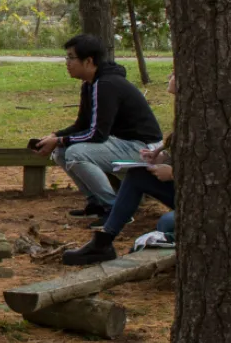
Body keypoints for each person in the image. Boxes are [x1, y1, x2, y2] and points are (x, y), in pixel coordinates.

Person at [33, 34, 163, 221]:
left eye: (71, 57)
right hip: (123, 144)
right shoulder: (91, 84)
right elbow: (82, 125)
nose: (67, 63)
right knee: (61, 152)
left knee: (75, 153)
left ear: (88, 61)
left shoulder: (106, 85)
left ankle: (116, 211)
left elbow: (97, 134)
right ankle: (96, 204)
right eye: (66, 57)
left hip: (145, 149)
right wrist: (54, 137)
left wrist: (60, 140)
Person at [64, 74, 178, 265]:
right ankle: (103, 242)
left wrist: (173, 173)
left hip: (205, 199)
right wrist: (161, 157)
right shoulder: (185, 110)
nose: (169, 76)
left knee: (166, 223)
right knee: (136, 175)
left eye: (174, 73)